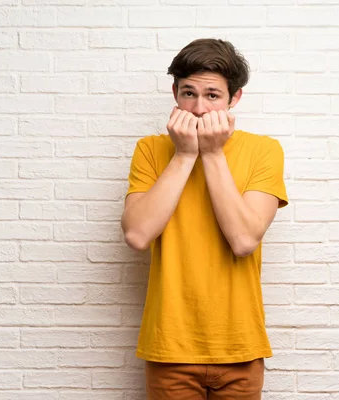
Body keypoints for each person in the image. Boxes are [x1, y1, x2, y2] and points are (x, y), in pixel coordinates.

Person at [121, 38, 288, 400]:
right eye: (188, 93)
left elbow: (243, 241)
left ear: (235, 98)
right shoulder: (150, 150)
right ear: (174, 93)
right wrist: (183, 156)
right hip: (170, 347)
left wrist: (212, 154)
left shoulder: (264, 150)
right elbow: (137, 235)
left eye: (212, 95)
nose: (197, 109)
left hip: (240, 346)